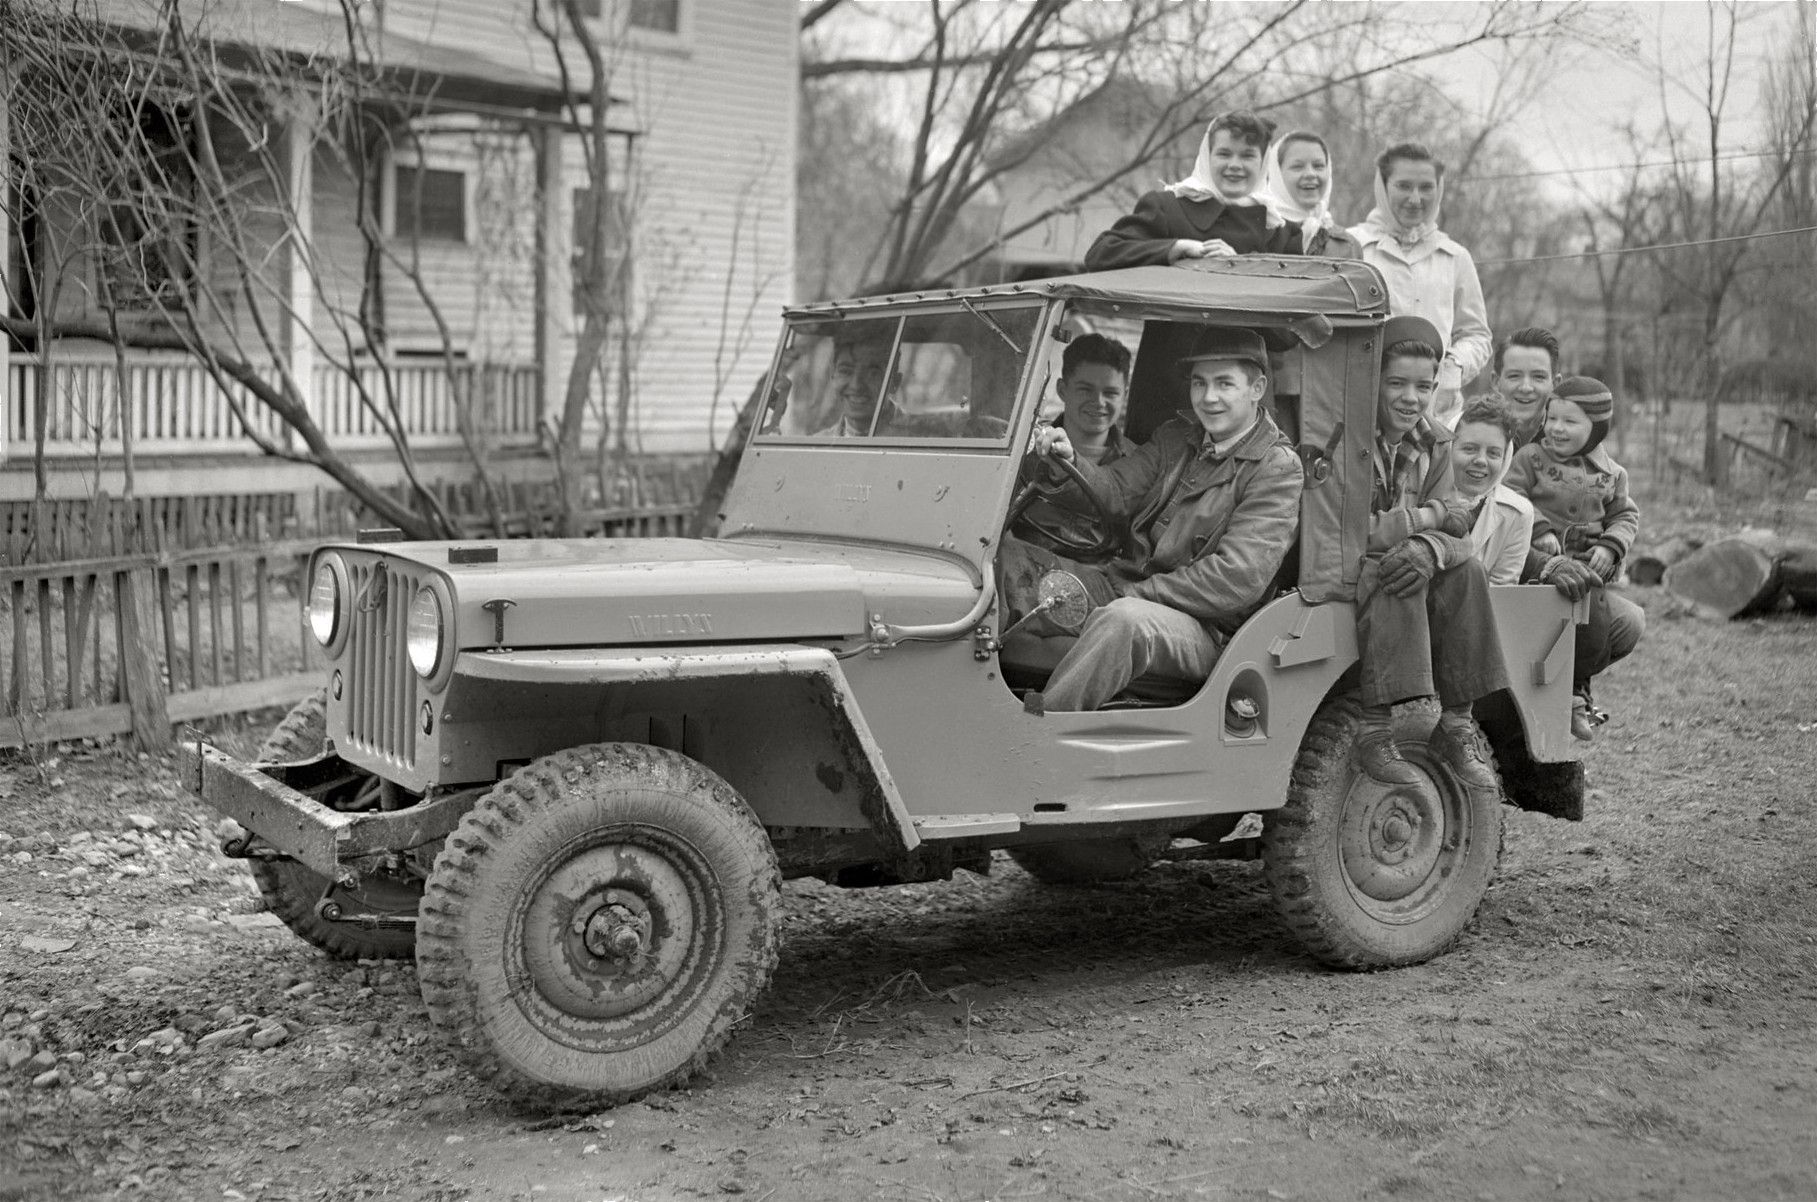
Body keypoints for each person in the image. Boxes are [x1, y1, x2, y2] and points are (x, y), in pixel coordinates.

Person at [1004, 327, 1303, 712]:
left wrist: (1138, 594)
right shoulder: (1178, 437)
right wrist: (1069, 462)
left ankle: (1035, 743)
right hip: (1125, 586)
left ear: (1257, 387)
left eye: (1224, 384)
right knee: (1000, 561)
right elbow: (1115, 489)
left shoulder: (1276, 467)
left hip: (1205, 628)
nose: (1208, 398)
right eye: (1199, 383)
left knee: (1123, 622)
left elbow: (1237, 578)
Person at [1353, 314, 1507, 791]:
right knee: (1394, 565)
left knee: (1465, 569)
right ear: (1374, 378)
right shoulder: (1350, 440)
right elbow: (1353, 532)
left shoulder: (1437, 441)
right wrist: (1423, 520)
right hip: (1350, 571)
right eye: (1396, 383)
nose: (1410, 398)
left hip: (1401, 563)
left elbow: (1460, 526)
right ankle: (1375, 729)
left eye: (1423, 386)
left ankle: (1456, 724)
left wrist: (1429, 546)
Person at [1503, 376, 1645, 739]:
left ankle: (1577, 692)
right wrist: (1540, 529)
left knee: (1592, 624)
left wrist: (1609, 546)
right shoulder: (1531, 458)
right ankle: (1544, 696)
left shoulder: (1612, 474)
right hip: (1537, 568)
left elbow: (1626, 516)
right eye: (1552, 418)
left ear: (1596, 428)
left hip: (1586, 570)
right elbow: (1511, 493)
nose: (1557, 428)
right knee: (1548, 623)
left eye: (1570, 421)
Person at [1349, 143, 1491, 431]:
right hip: (1361, 405)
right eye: (1404, 186)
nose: (1415, 199)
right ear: (1383, 186)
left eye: (1426, 187)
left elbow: (1477, 335)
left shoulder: (1455, 256)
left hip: (1435, 410)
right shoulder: (1352, 246)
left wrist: (1453, 369)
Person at [1084, 112, 1298, 269]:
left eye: (1247, 155)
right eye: (1224, 154)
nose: (1235, 164)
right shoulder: (1168, 207)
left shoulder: (1280, 228)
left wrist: (1239, 266)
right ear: (1207, 156)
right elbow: (1101, 253)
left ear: (1263, 163)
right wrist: (1176, 248)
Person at [1014, 334, 1133, 557]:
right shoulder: (1024, 454)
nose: (1098, 402)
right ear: (1062, 389)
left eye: (1110, 393)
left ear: (1124, 396)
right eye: (1085, 390)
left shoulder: (1140, 463)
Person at [1449, 397, 1534, 586]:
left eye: (1494, 453)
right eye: (1469, 449)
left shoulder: (1518, 512)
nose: (1481, 460)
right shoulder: (1423, 495)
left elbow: (1503, 586)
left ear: (1505, 457)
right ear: (1449, 448)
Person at [1255, 131, 1361, 259]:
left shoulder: (1346, 246)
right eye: (1297, 167)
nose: (1310, 174)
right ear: (1276, 174)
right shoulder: (1256, 234)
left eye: (1318, 166)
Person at [812, 330, 903, 437]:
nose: (856, 386)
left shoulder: (921, 438)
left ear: (895, 382)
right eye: (845, 371)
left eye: (872, 373)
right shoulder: (818, 444)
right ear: (832, 376)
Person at [1492, 327, 1561, 446]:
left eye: (1538, 377)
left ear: (1555, 384)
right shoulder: (1468, 431)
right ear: (1496, 381)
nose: (1525, 388)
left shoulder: (1573, 441)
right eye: (1514, 376)